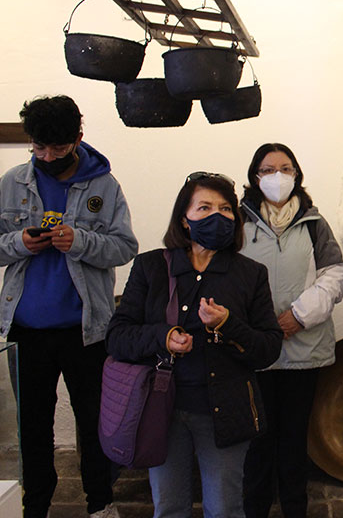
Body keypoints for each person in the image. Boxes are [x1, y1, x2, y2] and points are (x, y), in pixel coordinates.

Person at [106, 172, 283, 518]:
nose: (218, 216)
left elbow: (269, 349)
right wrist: (164, 337)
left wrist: (228, 325)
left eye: (225, 209)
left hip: (225, 411)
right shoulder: (151, 267)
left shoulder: (250, 273)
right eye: (204, 207)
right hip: (161, 409)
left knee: (224, 509)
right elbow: (118, 337)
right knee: (169, 507)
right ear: (184, 220)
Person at [0, 95, 138, 518]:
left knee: (95, 423)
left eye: (58, 148)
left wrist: (80, 241)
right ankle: (35, 506)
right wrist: (19, 243)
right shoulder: (12, 182)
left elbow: (125, 247)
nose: (47, 157)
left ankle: (100, 503)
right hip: (24, 332)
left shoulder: (104, 186)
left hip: (87, 330)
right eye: (39, 147)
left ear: (78, 139)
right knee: (32, 426)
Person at [240, 143, 343, 518]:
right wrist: (259, 325)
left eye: (285, 169)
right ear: (255, 176)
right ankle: (254, 509)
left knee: (294, 439)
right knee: (257, 441)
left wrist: (298, 316)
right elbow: (228, 277)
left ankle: (294, 509)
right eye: (268, 169)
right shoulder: (238, 221)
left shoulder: (314, 222)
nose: (277, 176)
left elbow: (334, 274)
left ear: (297, 175)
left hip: (304, 350)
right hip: (255, 349)